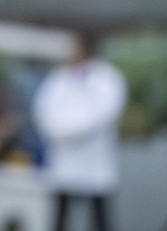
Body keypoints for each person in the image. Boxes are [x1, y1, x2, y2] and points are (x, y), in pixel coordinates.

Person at [32, 32, 127, 231]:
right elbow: (43, 109)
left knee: (99, 216)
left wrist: (71, 131)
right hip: (64, 158)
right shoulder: (58, 78)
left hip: (94, 159)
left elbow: (104, 112)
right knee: (61, 216)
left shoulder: (107, 78)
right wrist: (55, 129)